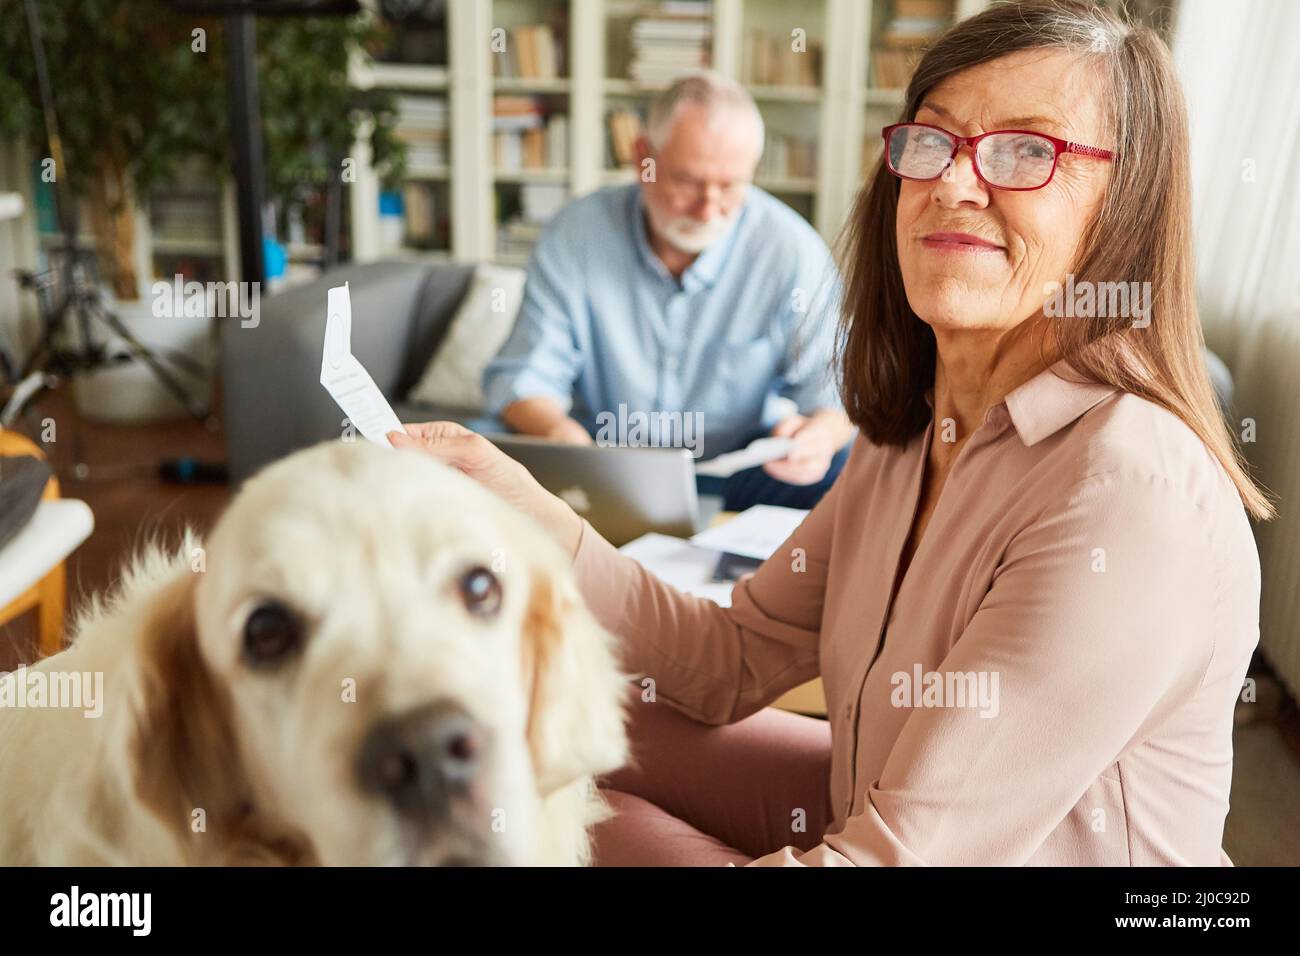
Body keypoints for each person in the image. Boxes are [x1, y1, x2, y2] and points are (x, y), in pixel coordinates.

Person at [392, 0, 1271, 865]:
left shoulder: (1126, 494)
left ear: (1124, 206)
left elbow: (894, 860)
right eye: (932, 140)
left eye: (1027, 151)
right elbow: (728, 659)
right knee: (539, 730)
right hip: (872, 791)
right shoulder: (909, 431)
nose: (953, 183)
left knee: (583, 822)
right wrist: (534, 519)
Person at [481, 73, 855, 511]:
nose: (709, 207)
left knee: (845, 467)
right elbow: (525, 377)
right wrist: (557, 435)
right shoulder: (575, 235)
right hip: (600, 463)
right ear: (644, 158)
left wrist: (817, 438)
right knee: (482, 454)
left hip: (735, 470)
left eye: (732, 185)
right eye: (689, 181)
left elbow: (839, 398)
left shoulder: (792, 250)